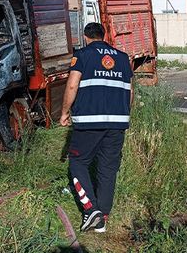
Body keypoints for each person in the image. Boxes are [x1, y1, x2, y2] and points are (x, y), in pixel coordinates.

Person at [60, 22, 134, 233]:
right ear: (104, 36)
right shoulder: (121, 57)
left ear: (85, 37)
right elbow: (130, 92)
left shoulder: (82, 55)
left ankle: (91, 210)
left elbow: (73, 84)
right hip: (118, 122)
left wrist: (65, 112)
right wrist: (123, 115)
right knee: (108, 168)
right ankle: (103, 217)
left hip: (90, 121)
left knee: (78, 162)